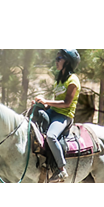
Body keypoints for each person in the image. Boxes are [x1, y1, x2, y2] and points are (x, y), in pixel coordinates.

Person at [34, 49, 81, 182]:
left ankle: (61, 169)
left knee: (51, 136)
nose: (56, 61)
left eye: (59, 58)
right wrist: (41, 104)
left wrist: (47, 101)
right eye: (57, 58)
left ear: (68, 62)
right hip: (53, 112)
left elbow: (67, 103)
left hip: (64, 116)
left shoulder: (73, 80)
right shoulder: (59, 80)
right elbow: (52, 104)